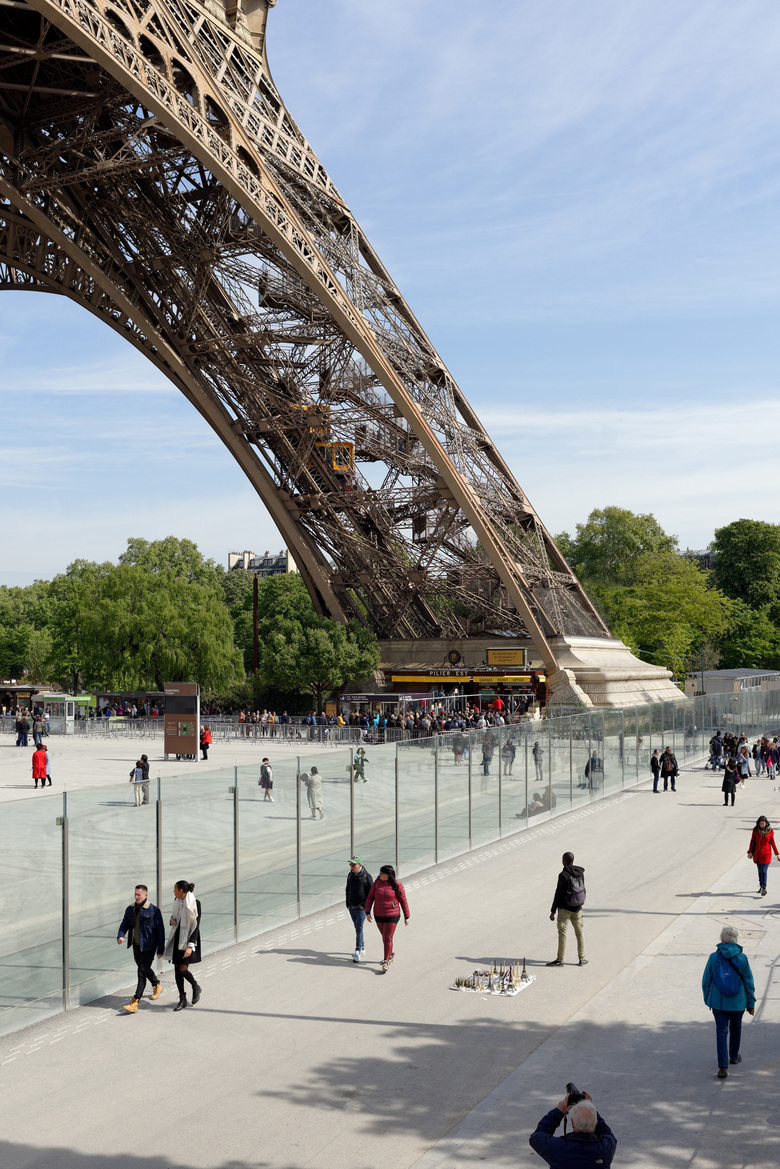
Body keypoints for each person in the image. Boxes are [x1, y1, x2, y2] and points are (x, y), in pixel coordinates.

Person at [701, 925, 755, 1078]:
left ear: (722, 939)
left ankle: (723, 1067)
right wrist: (750, 1003)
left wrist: (708, 999)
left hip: (719, 1003)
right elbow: (749, 982)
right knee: (736, 1028)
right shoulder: (742, 958)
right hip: (738, 1002)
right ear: (735, 939)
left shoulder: (714, 957)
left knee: (721, 1032)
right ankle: (734, 1056)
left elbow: (706, 980)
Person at [529, 1089, 616, 1168]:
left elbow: (536, 1136)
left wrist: (559, 1110)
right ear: (595, 1123)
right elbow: (605, 1131)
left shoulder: (557, 1148)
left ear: (572, 1123)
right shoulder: (606, 1149)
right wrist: (590, 1108)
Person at [116, 884, 166, 1013]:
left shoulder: (154, 910)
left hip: (149, 946)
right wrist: (121, 936)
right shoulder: (130, 909)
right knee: (143, 968)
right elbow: (124, 925)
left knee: (141, 973)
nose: (136, 897)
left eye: (139, 895)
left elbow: (160, 931)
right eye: (135, 894)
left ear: (145, 895)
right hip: (136, 945)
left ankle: (135, 1001)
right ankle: (156, 984)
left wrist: (161, 949)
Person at [164, 880, 202, 1011]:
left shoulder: (195, 903)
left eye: (175, 889)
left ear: (181, 890)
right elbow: (175, 917)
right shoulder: (177, 901)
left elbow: (196, 926)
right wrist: (171, 920)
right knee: (177, 970)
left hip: (188, 939)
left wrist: (190, 946)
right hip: (177, 938)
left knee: (183, 969)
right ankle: (182, 999)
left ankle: (195, 986)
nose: (173, 892)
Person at [365, 864, 410, 972]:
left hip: (392, 915)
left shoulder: (397, 885)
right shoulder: (377, 883)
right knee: (385, 937)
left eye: (382, 873)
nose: (379, 874)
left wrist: (407, 916)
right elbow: (370, 897)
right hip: (378, 915)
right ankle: (390, 954)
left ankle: (386, 961)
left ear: (388, 874)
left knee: (387, 937)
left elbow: (403, 901)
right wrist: (367, 912)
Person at [547, 851, 587, 967]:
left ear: (564, 861)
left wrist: (553, 911)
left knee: (562, 934)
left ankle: (560, 960)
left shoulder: (563, 875)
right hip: (578, 908)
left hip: (564, 909)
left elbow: (558, 894)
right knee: (579, 933)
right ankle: (582, 958)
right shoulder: (580, 872)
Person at [345, 856, 373, 962]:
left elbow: (371, 893)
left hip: (361, 908)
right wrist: (348, 903)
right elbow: (347, 890)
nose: (351, 867)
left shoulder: (367, 876)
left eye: (354, 865)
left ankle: (357, 951)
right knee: (357, 928)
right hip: (351, 907)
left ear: (359, 865)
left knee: (359, 928)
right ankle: (362, 946)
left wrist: (365, 905)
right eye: (350, 864)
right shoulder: (350, 875)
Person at [747, 814, 779, 896]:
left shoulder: (770, 831)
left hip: (766, 854)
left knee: (764, 871)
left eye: (763, 823)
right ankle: (761, 885)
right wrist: (750, 852)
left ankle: (764, 887)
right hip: (757, 854)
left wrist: (777, 854)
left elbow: (772, 843)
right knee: (760, 871)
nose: (761, 825)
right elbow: (752, 841)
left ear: (766, 823)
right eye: (760, 823)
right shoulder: (755, 830)